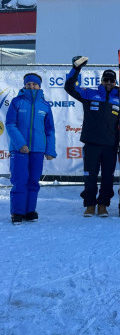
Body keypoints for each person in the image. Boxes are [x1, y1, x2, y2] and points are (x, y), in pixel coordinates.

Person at [65, 56, 120, 217]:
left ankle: (103, 204)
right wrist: (76, 69)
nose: (108, 83)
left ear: (115, 82)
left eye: (111, 80)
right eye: (106, 80)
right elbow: (69, 87)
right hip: (91, 143)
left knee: (108, 177)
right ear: (102, 81)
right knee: (90, 176)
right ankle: (89, 204)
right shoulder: (89, 94)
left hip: (110, 144)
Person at [6, 73, 56, 224]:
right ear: (25, 85)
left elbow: (50, 130)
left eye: (34, 84)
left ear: (39, 86)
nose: (32, 86)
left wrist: (50, 150)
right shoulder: (17, 102)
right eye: (29, 84)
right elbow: (10, 125)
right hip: (19, 149)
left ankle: (29, 211)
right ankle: (17, 212)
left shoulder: (45, 105)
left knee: (33, 181)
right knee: (19, 180)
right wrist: (20, 144)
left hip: (38, 149)